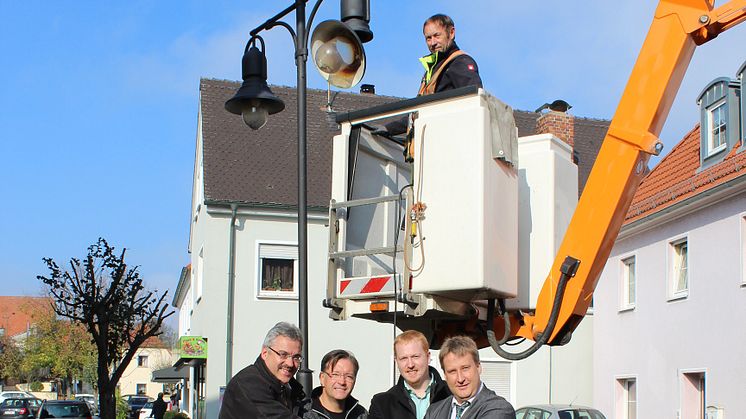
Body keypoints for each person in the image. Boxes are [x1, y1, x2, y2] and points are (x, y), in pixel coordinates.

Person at [383, 14, 483, 136]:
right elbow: (418, 113)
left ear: (451, 33)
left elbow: (475, 101)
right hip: (432, 142)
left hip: (448, 139)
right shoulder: (434, 69)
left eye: (437, 36)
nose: (432, 43)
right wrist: (389, 129)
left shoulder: (460, 62)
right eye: (428, 38)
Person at [219, 322, 308, 419]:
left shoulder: (288, 387)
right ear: (265, 353)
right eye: (283, 354)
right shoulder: (247, 384)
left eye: (296, 357)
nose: (290, 363)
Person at [424, 336, 515, 419]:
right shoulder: (433, 412)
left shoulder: (500, 409)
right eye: (452, 371)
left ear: (478, 367)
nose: (460, 379)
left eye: (465, 368)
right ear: (445, 375)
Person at [369, 330, 450, 419]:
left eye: (415, 357)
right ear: (396, 361)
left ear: (428, 357)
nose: (410, 365)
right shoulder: (382, 404)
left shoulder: (451, 394)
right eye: (403, 358)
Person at [303, 349, 367, 419]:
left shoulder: (361, 415)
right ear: (322, 378)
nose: (342, 382)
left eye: (349, 376)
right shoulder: (303, 413)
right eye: (335, 375)